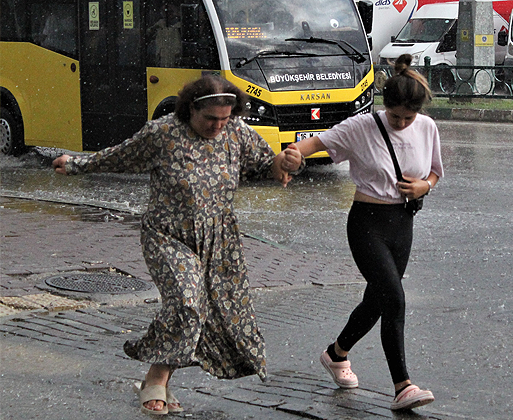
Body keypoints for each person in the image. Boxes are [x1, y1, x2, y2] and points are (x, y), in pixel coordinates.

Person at [52, 76, 302, 415]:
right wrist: (76, 164)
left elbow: (264, 165)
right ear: (190, 110)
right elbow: (119, 157)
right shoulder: (163, 133)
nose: (217, 126)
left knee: (216, 313)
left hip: (219, 240)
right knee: (187, 302)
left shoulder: (237, 132)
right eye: (210, 119)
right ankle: (155, 379)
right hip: (167, 236)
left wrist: (286, 163)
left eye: (224, 119)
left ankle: (160, 380)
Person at [288, 54, 443, 411]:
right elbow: (315, 144)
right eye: (396, 116)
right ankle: (403, 385)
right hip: (367, 223)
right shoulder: (361, 127)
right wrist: (293, 155)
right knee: (395, 297)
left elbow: (435, 171)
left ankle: (336, 352)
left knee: (378, 299)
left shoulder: (427, 127)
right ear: (385, 107)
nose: (402, 123)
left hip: (403, 223)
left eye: (409, 117)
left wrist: (424, 187)